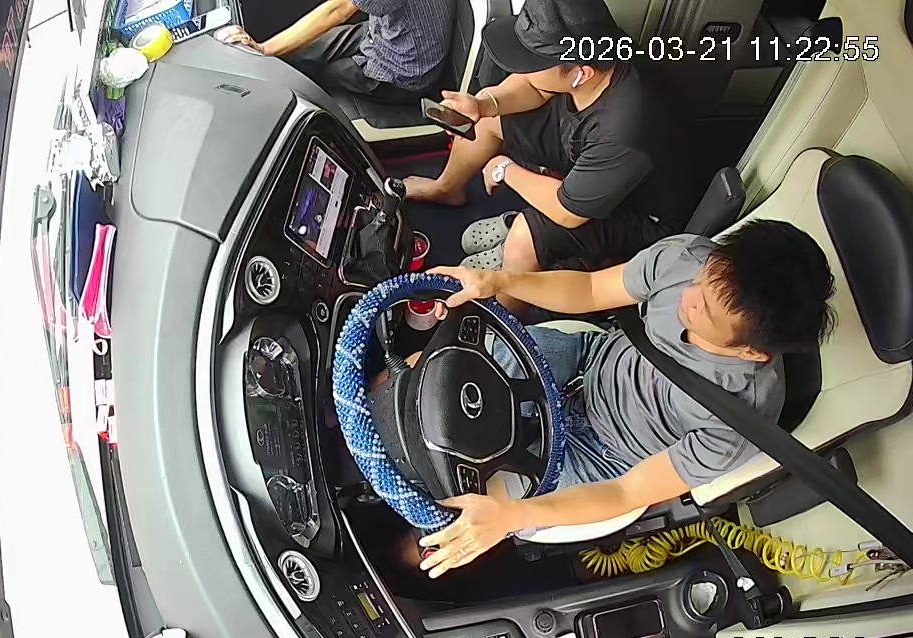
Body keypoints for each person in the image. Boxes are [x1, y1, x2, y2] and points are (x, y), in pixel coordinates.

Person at [410, 221, 836, 579]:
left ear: (751, 352)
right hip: (587, 361)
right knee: (438, 370)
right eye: (702, 280)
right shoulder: (687, 258)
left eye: (705, 310)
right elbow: (592, 289)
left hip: (608, 460)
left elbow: (624, 492)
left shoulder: (736, 421)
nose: (688, 296)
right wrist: (501, 281)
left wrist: (509, 516)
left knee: (452, 514)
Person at [402, 0, 699, 312]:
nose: (521, 67)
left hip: (642, 214)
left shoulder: (626, 128)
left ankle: (502, 323)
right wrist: (484, 105)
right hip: (594, 157)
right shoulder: (595, 52)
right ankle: (447, 189)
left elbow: (568, 211)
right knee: (487, 121)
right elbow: (534, 86)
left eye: (533, 60)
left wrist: (504, 169)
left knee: (524, 236)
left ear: (581, 73)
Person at [223, 0, 455, 104]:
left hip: (406, 71)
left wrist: (264, 49)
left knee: (309, 74)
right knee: (305, 52)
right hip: (385, 34)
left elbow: (338, 10)